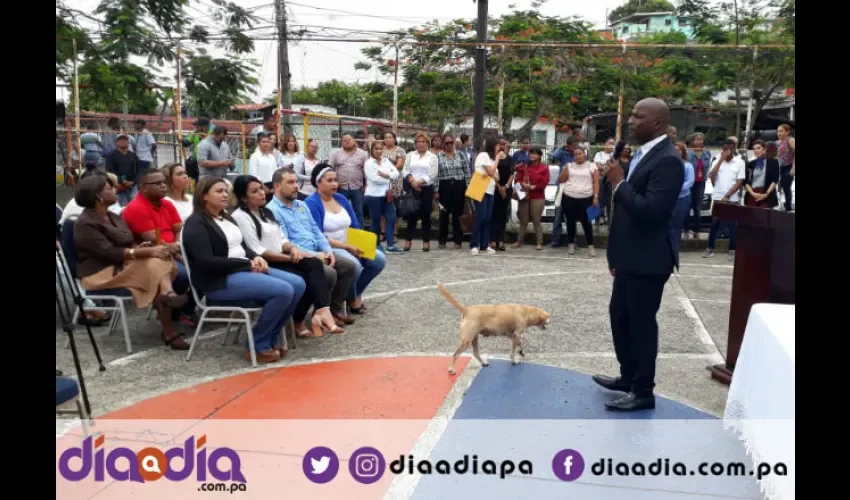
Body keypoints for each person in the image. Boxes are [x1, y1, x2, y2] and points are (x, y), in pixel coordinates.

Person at [596, 98, 684, 412]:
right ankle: (627, 376)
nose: (630, 121)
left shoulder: (669, 160)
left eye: (638, 116)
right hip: (630, 258)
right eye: (632, 115)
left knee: (642, 326)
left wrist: (619, 182)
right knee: (620, 319)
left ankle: (643, 391)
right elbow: (626, 217)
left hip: (649, 261)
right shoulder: (645, 153)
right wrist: (615, 256)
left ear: (658, 123)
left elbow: (652, 212)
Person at [181, 177, 305, 364]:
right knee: (284, 290)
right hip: (219, 280)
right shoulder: (196, 224)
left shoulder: (226, 217)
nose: (224, 194)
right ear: (204, 196)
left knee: (298, 284)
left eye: (225, 191)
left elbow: (242, 247)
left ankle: (271, 336)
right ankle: (257, 343)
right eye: (218, 191)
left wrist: (255, 257)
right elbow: (206, 262)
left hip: (243, 269)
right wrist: (247, 264)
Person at [72, 174, 190, 350]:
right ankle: (169, 319)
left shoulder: (113, 216)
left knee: (156, 261)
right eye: (109, 188)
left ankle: (168, 303)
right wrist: (143, 251)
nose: (115, 190)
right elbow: (108, 253)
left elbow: (127, 243)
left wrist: (140, 246)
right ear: (98, 195)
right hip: (100, 273)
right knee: (156, 264)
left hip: (122, 265)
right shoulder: (85, 222)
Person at [231, 175, 343, 337]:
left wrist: (292, 249)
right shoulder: (241, 216)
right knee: (309, 276)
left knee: (315, 265)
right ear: (243, 197)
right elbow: (257, 250)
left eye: (261, 188)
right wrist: (290, 258)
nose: (262, 193)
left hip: (281, 256)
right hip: (265, 262)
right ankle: (300, 320)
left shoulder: (265, 211)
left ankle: (320, 311)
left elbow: (282, 239)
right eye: (255, 191)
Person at [267, 168, 358, 326]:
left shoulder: (301, 205)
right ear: (277, 186)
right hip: (296, 257)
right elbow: (283, 242)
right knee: (328, 273)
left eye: (296, 181)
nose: (296, 186)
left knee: (348, 266)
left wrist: (328, 251)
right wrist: (314, 255)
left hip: (318, 251)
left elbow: (316, 231)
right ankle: (301, 318)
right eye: (290, 182)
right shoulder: (272, 210)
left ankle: (334, 310)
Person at [305, 165, 387, 315]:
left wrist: (360, 245)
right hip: (329, 247)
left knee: (379, 259)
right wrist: (346, 247)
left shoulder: (341, 198)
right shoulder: (311, 203)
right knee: (354, 265)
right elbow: (317, 236)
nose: (334, 184)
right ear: (318, 182)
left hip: (349, 244)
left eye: (336, 180)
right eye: (329, 180)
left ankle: (354, 294)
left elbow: (354, 225)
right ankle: (347, 300)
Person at [703, 140, 746, 260]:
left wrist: (727, 195)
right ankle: (710, 248)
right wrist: (721, 160)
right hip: (717, 197)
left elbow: (739, 182)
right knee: (715, 223)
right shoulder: (717, 160)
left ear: (734, 149)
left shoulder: (739, 163)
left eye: (730, 149)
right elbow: (711, 175)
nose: (727, 151)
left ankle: (732, 249)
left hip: (731, 198)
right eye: (724, 149)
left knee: (732, 225)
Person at [558, 147, 599, 256]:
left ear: (584, 154)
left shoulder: (592, 166)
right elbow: (561, 180)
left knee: (587, 223)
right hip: (569, 197)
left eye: (579, 153)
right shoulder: (569, 166)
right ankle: (571, 244)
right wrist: (564, 171)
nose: (578, 156)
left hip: (587, 198)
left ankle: (591, 246)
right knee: (570, 222)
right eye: (575, 154)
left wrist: (595, 197)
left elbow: (595, 182)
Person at [401, 132, 439, 251]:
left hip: (426, 188)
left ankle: (426, 241)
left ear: (428, 143)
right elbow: (405, 170)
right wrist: (412, 182)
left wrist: (420, 182)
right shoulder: (410, 155)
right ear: (415, 143)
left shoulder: (432, 156)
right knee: (412, 214)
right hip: (412, 187)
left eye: (423, 142)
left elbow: (433, 173)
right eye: (419, 142)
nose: (421, 144)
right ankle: (408, 241)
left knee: (425, 215)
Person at [363, 141, 402, 253]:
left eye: (381, 149)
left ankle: (390, 245)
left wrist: (385, 175)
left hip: (386, 195)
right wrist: (389, 177)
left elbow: (396, 174)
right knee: (376, 221)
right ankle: (375, 245)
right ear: (372, 150)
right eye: (376, 149)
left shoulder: (386, 161)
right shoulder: (369, 163)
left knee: (392, 218)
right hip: (373, 195)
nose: (379, 151)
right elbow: (374, 179)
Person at [436, 132, 471, 250]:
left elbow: (467, 172)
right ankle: (442, 240)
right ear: (443, 144)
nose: (449, 145)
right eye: (447, 143)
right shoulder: (439, 156)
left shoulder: (461, 155)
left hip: (459, 186)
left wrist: (468, 188)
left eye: (451, 142)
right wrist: (436, 190)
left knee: (458, 214)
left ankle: (458, 240)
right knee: (444, 214)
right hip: (444, 185)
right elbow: (436, 175)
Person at [469, 137, 502, 255]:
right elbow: (492, 172)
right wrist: (497, 161)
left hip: (490, 190)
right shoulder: (483, 155)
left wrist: (491, 171)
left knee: (488, 218)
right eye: (498, 146)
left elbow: (497, 177)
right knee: (480, 216)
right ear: (493, 146)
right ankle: (473, 244)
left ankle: (484, 244)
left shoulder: (492, 160)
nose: (500, 148)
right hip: (480, 188)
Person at [512, 146, 548, 250]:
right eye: (531, 153)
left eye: (535, 153)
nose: (532, 155)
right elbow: (517, 180)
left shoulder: (544, 168)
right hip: (524, 195)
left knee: (536, 220)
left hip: (537, 196)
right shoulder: (524, 166)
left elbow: (544, 182)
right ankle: (519, 241)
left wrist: (533, 187)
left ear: (539, 156)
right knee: (523, 220)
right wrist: (522, 185)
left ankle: (539, 242)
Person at [670, 141, 695, 249]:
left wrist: (676, 188)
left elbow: (690, 182)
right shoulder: (668, 164)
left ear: (683, 152)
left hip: (683, 198)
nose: (676, 152)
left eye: (679, 149)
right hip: (669, 199)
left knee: (677, 224)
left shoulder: (688, 165)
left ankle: (675, 247)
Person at [744, 140, 780, 209]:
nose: (756, 150)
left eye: (758, 148)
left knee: (764, 217)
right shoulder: (750, 163)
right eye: (754, 149)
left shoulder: (773, 162)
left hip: (766, 193)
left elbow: (775, 180)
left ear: (764, 149)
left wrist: (766, 194)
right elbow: (746, 181)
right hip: (752, 193)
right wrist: (752, 193)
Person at [776, 123, 795, 211]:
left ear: (787, 132)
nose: (779, 133)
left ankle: (788, 207)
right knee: (780, 186)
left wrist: (793, 168)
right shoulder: (778, 142)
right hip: (780, 167)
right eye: (778, 131)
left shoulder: (790, 140)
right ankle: (781, 204)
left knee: (786, 186)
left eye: (781, 131)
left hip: (789, 166)